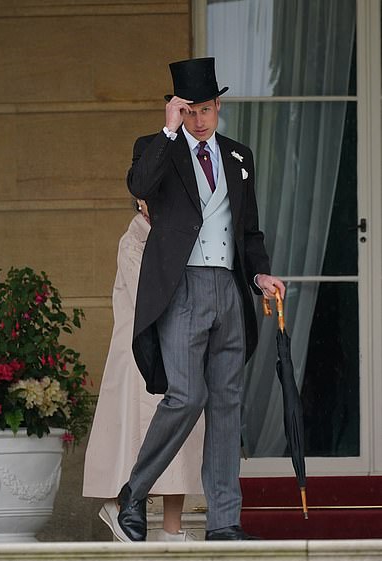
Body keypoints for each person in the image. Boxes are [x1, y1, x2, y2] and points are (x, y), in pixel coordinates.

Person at [116, 57, 285, 542]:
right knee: (186, 395)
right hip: (183, 288)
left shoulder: (239, 156)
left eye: (207, 110)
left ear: (217, 106)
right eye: (190, 112)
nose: (200, 120)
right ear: (176, 109)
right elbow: (138, 187)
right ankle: (135, 493)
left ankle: (224, 521)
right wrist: (169, 132)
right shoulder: (156, 148)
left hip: (229, 289)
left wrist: (260, 275)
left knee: (228, 403)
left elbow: (248, 230)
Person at [83, 199, 205, 541]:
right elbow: (150, 300)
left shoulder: (178, 235)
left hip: (179, 347)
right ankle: (118, 506)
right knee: (131, 439)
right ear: (141, 201)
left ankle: (171, 530)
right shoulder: (134, 240)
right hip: (143, 352)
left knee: (178, 442)